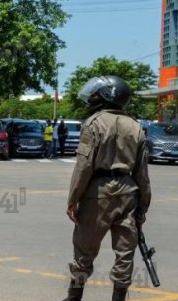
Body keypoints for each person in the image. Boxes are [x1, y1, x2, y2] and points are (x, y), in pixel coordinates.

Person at [60, 76, 151, 301]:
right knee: (125, 252)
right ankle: (119, 297)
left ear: (107, 96)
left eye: (96, 94)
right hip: (129, 193)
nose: (91, 98)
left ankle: (75, 296)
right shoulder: (136, 126)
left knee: (84, 250)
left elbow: (83, 167)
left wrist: (73, 199)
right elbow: (142, 173)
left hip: (97, 193)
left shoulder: (93, 124)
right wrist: (143, 206)